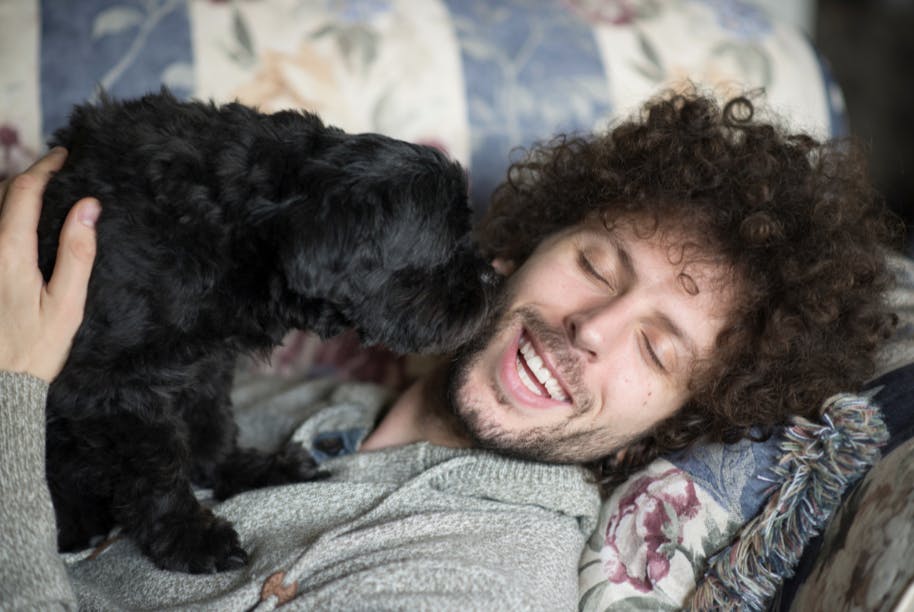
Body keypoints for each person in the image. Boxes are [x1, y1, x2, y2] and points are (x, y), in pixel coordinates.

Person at [0, 93, 898, 609]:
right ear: (509, 250)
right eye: (595, 263)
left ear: (664, 432)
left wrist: (11, 385)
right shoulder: (301, 378)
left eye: (657, 352)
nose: (590, 328)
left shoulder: (481, 577)